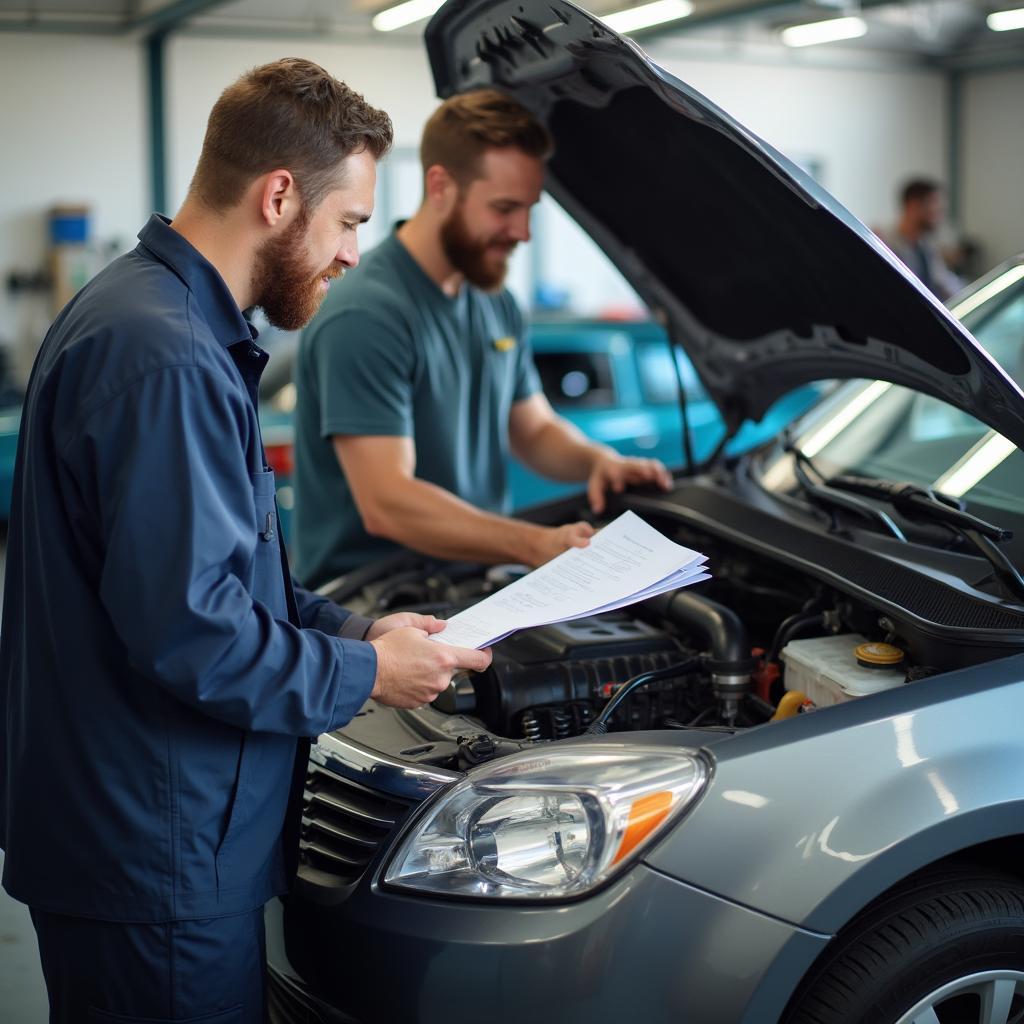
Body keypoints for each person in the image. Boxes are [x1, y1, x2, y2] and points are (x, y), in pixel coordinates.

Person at [0, 58, 490, 1022]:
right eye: (349, 221)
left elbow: (222, 582)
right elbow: (195, 634)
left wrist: (360, 633)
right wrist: (369, 680)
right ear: (278, 197)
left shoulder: (151, 316)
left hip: (144, 834)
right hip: (157, 855)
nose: (355, 252)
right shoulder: (166, 356)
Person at [292, 89, 672, 589]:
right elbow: (389, 503)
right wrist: (534, 543)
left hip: (471, 581)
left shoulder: (495, 301)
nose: (523, 232)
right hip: (369, 600)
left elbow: (533, 430)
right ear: (441, 186)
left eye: (529, 209)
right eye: (505, 208)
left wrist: (600, 462)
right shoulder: (369, 313)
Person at [878, 178, 963, 301]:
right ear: (913, 205)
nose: (940, 213)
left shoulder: (926, 247)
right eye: (935, 204)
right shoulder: (883, 242)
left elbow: (946, 283)